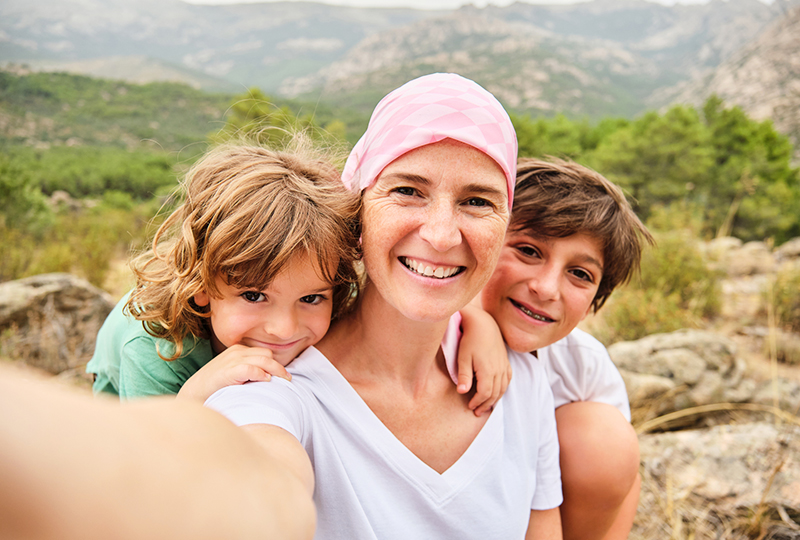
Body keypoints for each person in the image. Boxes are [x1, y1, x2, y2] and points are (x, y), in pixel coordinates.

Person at [205, 73, 564, 538]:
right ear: (358, 208)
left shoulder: (522, 382)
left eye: (476, 201)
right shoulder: (274, 386)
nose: (440, 234)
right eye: (408, 191)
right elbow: (264, 488)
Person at [86, 138, 508, 413]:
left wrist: (475, 320)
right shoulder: (155, 347)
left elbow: (409, 288)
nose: (284, 328)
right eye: (254, 296)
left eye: (311, 299)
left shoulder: (321, 278)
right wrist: (194, 398)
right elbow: (151, 456)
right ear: (201, 291)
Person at [479, 157, 654, 540]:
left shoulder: (583, 365)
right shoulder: (426, 329)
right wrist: (473, 320)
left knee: (605, 438)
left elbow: (621, 477)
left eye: (579, 274)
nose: (546, 288)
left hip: (541, 520)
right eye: (528, 250)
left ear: (595, 300)